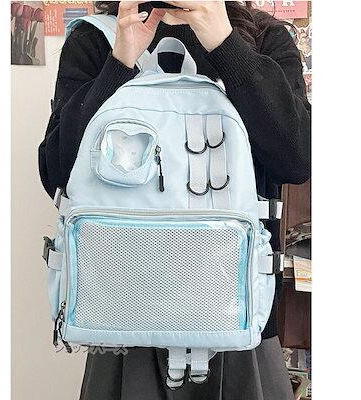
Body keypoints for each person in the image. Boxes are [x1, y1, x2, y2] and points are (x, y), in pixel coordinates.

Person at [38, 1, 311, 399]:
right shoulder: (99, 37)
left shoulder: (264, 37)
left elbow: (296, 159)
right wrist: (119, 63)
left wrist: (225, 44)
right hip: (120, 319)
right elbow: (57, 174)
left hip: (239, 319)